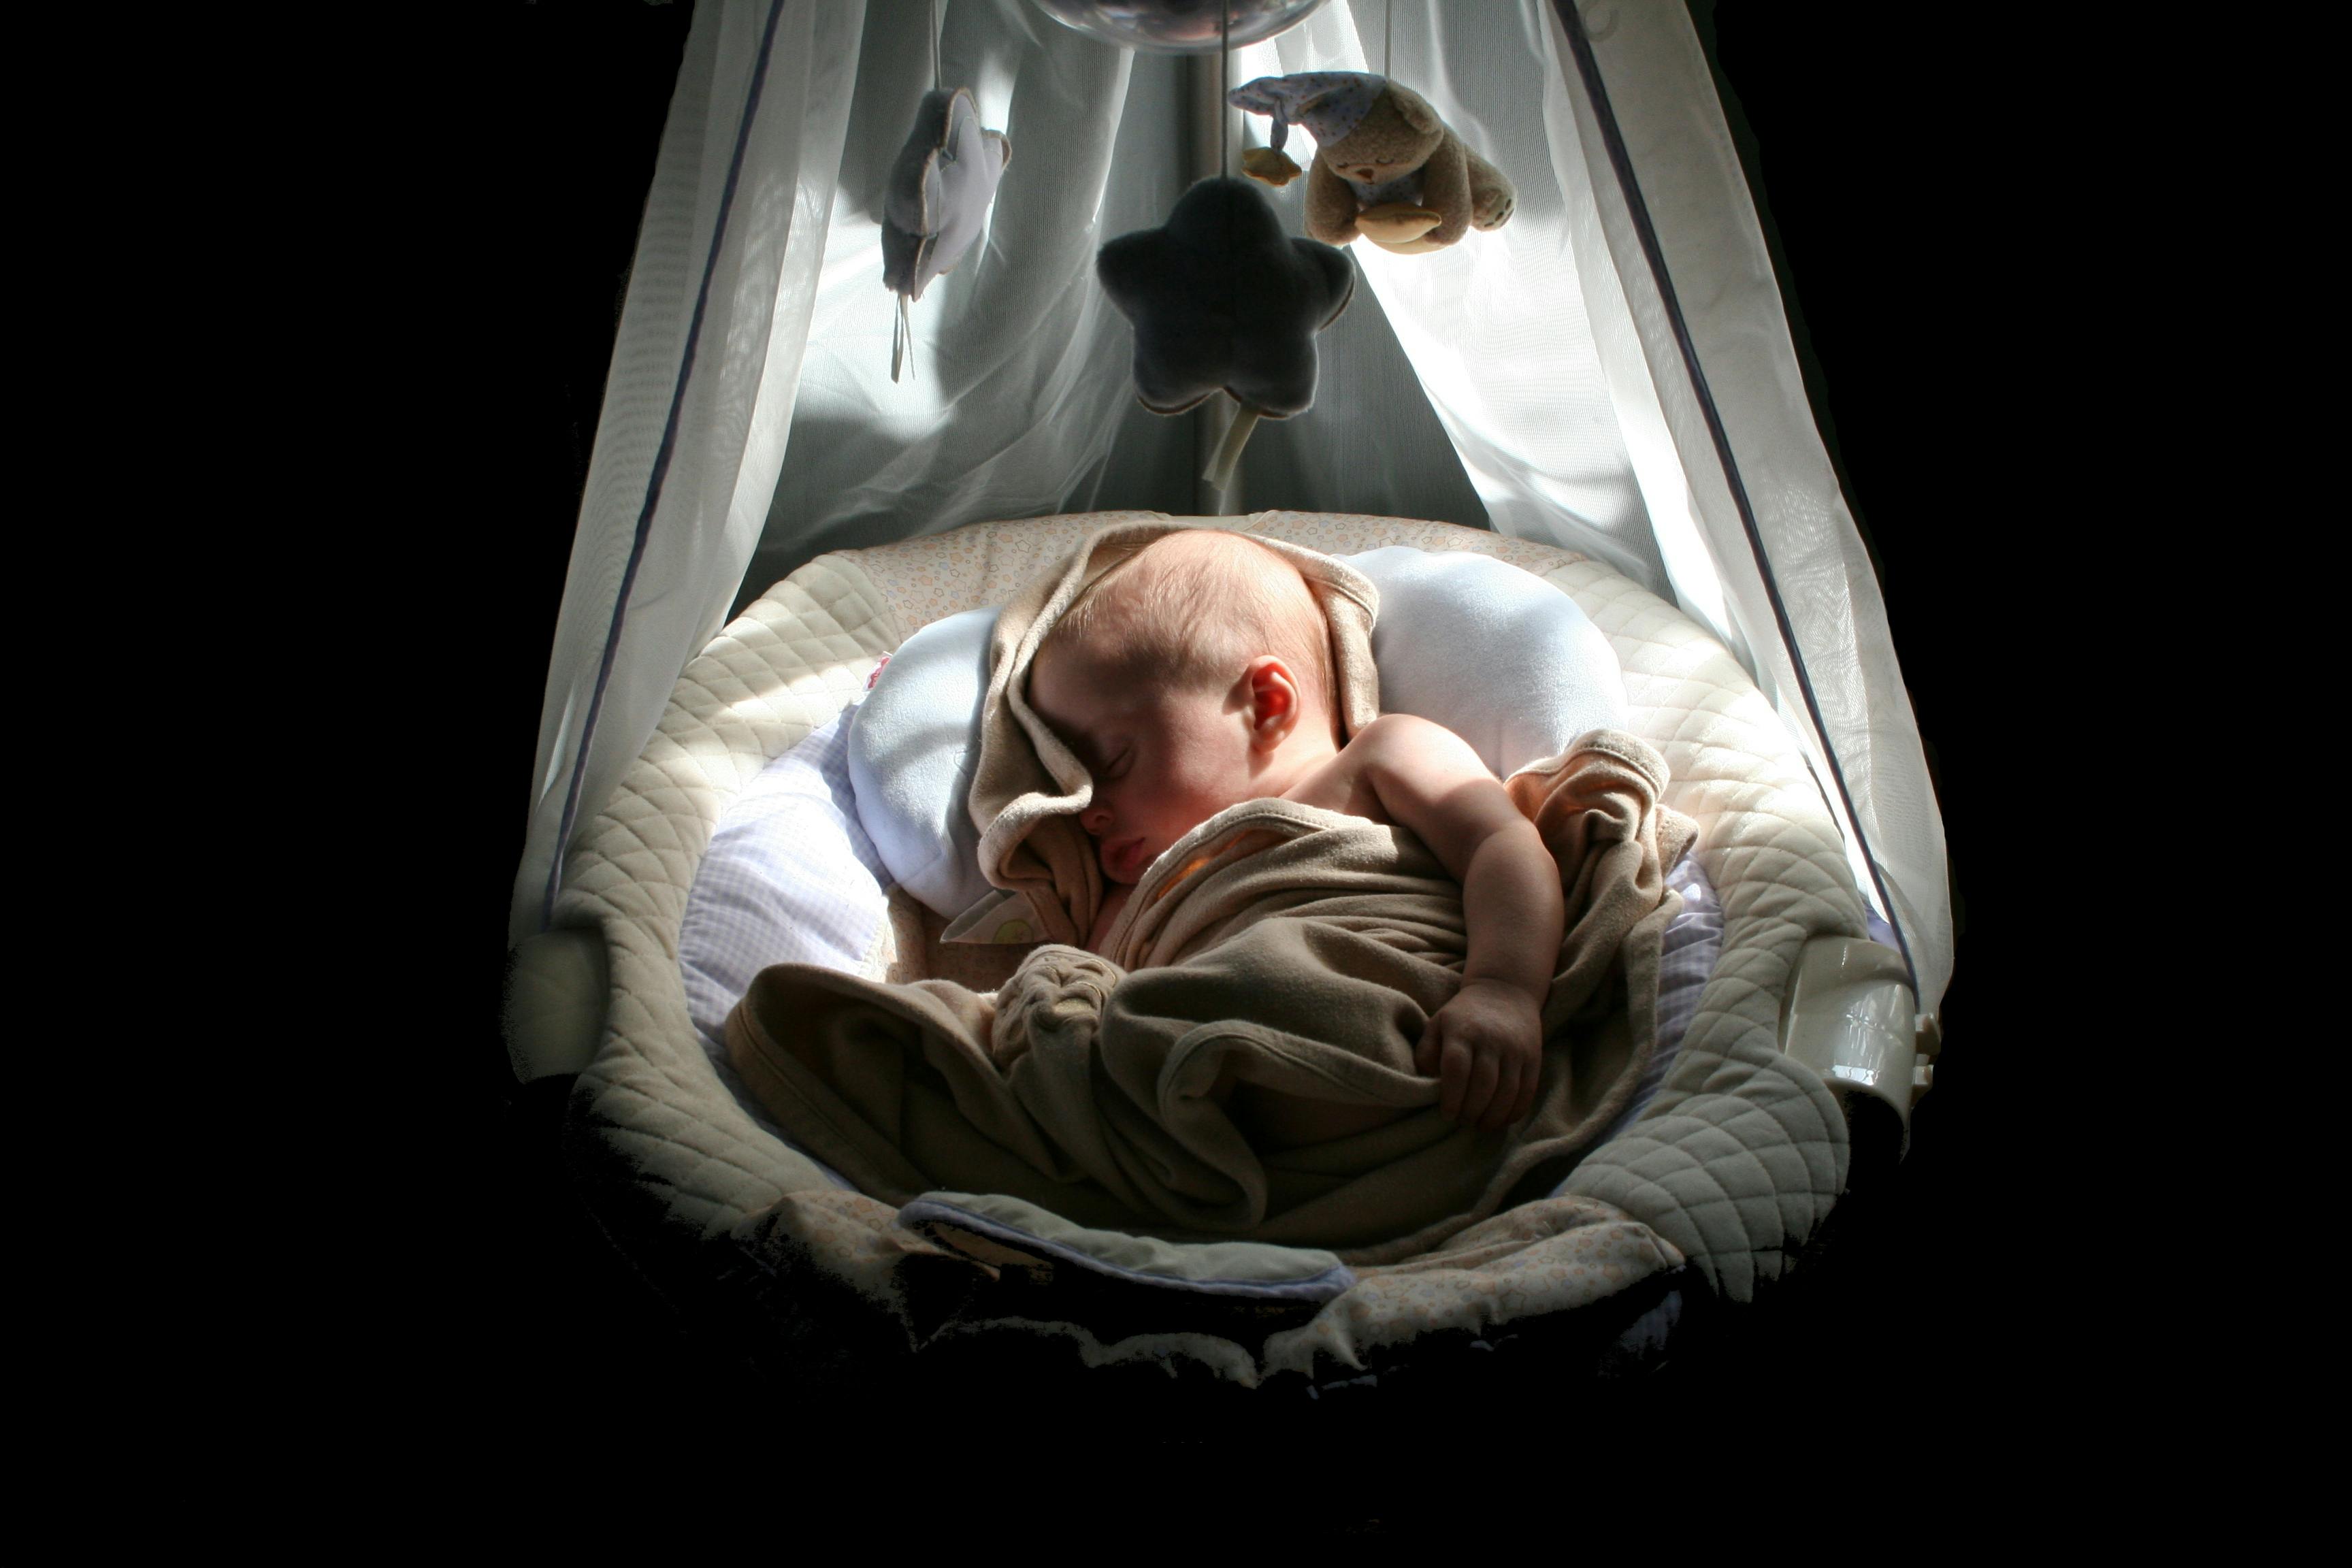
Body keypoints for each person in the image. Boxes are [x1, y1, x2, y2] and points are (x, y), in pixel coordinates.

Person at [1026, 529, 1565, 1132]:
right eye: (1070, 784)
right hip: (1202, 1117)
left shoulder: (1379, 759)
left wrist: (1502, 989)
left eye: (1113, 761)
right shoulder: (1141, 894)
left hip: (1416, 1045)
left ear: (1266, 704)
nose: (1088, 811)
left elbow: (1502, 843)